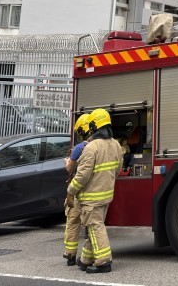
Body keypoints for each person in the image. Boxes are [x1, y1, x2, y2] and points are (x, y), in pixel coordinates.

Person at [69, 108, 123, 274]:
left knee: (95, 226)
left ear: (93, 126)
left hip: (91, 197)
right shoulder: (116, 145)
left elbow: (82, 175)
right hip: (106, 195)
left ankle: (103, 262)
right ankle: (86, 259)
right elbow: (118, 170)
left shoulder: (91, 147)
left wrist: (71, 190)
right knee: (94, 226)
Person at [62, 114, 91, 266]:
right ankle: (87, 256)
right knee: (90, 225)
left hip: (77, 191)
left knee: (73, 221)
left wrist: (68, 161)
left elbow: (69, 168)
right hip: (92, 191)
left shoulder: (79, 148)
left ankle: (70, 254)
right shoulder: (97, 146)